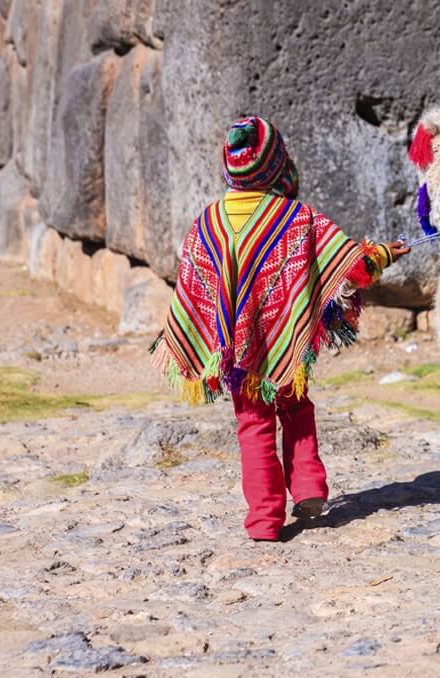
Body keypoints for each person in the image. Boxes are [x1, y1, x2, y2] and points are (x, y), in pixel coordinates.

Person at [150, 115, 409, 541]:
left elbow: (194, 284)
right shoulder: (297, 217)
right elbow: (353, 267)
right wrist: (382, 254)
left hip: (235, 352)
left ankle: (264, 520)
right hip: (285, 341)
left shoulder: (208, 223)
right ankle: (307, 486)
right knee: (296, 408)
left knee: (252, 425)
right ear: (276, 163)